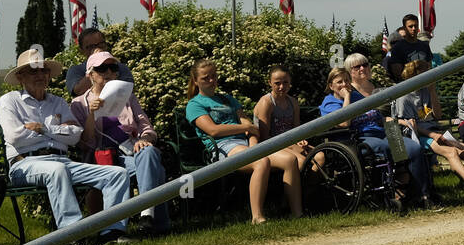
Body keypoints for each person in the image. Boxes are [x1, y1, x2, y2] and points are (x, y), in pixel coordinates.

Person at [0, 49, 133, 245]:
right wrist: (58, 131)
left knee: (117, 174)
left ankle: (111, 232)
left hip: (62, 160)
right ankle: (73, 235)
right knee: (57, 170)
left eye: (43, 71)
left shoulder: (58, 102)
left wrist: (43, 129)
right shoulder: (9, 101)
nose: (40, 75)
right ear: (21, 77)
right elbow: (15, 136)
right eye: (33, 71)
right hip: (25, 164)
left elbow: (75, 135)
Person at [186, 58, 302, 224]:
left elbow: (251, 127)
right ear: (196, 81)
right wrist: (242, 129)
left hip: (246, 145)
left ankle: (297, 214)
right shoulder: (194, 104)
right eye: (206, 78)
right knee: (261, 162)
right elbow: (214, 130)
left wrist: (253, 145)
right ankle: (257, 217)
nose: (212, 81)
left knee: (290, 160)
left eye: (214, 76)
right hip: (222, 147)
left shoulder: (227, 99)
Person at [70, 50, 170, 234]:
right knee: (156, 169)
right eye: (102, 69)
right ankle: (158, 225)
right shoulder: (79, 104)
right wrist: (91, 114)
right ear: (90, 74)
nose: (108, 72)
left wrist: (145, 139)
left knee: (148, 153)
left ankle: (146, 214)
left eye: (113, 68)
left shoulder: (128, 97)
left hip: (131, 151)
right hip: (102, 157)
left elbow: (146, 127)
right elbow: (85, 143)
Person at [333, 53, 433, 209]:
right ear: (349, 72)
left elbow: (384, 116)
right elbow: (342, 118)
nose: (362, 68)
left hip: (387, 130)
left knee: (414, 148)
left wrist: (400, 121)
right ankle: (395, 193)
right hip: (363, 134)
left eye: (365, 64)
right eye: (357, 66)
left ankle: (422, 195)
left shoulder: (377, 89)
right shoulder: (346, 91)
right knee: (390, 150)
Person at [391, 78, 464, 195]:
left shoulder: (426, 91)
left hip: (436, 131)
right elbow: (408, 124)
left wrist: (432, 91)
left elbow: (438, 115)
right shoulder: (405, 97)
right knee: (451, 152)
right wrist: (432, 135)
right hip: (419, 135)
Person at [253, 65, 313, 170]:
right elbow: (264, 138)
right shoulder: (267, 103)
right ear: (270, 83)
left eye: (285, 82)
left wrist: (301, 141)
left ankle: (311, 185)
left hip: (291, 143)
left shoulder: (293, 102)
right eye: (277, 83)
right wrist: (291, 147)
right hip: (271, 146)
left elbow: (297, 130)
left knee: (320, 156)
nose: (282, 87)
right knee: (302, 162)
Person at [65, 27, 133, 96]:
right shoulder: (76, 70)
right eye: (91, 47)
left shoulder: (119, 67)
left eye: (101, 44)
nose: (97, 48)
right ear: (82, 51)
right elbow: (78, 91)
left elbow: (127, 89)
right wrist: (95, 64)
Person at [389, 14, 432, 82]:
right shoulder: (397, 48)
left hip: (425, 84)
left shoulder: (424, 46)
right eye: (410, 26)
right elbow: (398, 73)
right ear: (404, 28)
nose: (414, 29)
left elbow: (429, 67)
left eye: (416, 26)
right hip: (408, 87)